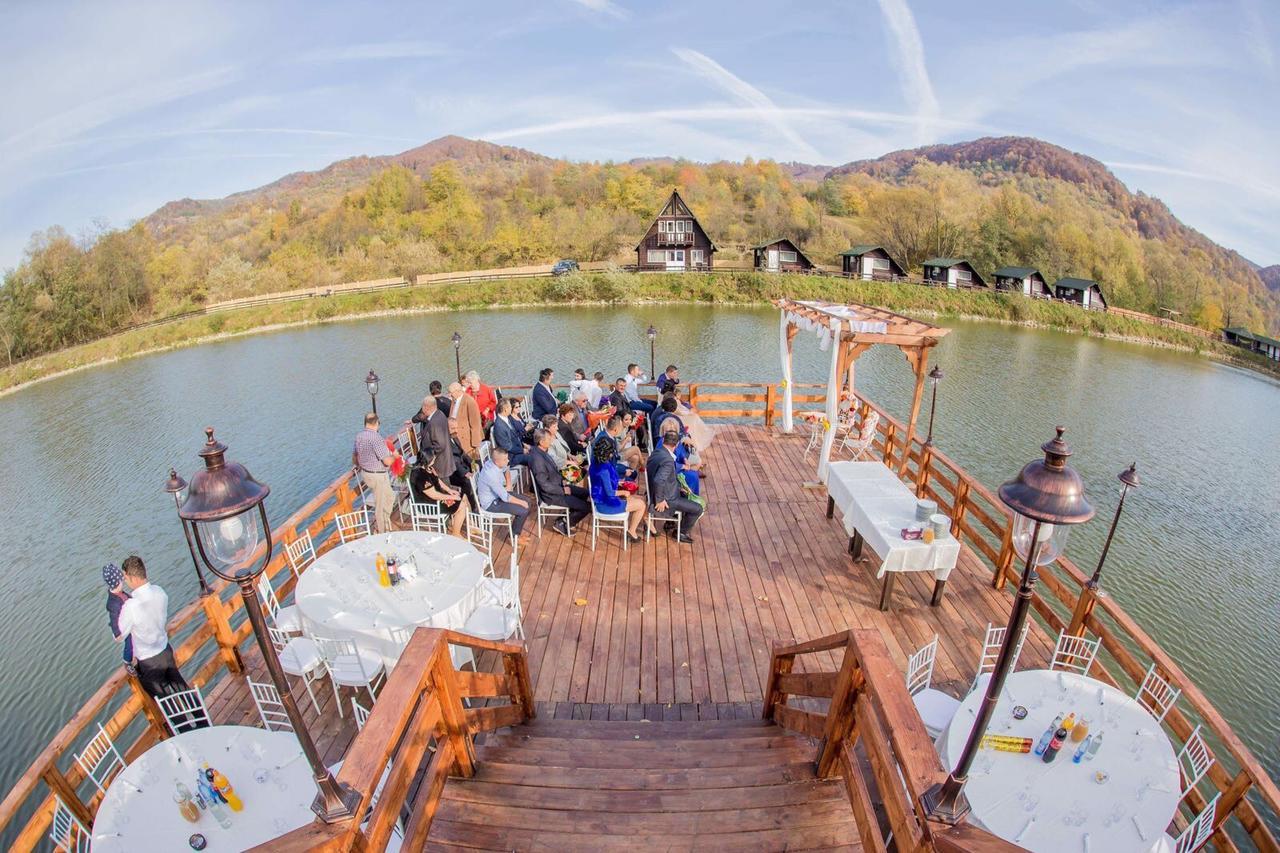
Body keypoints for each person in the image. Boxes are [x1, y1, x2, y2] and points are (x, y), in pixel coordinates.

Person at [117, 556, 201, 713]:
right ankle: (203, 721)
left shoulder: (131, 605)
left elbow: (120, 634)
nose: (125, 581)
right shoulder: (159, 592)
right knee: (181, 688)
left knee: (167, 705)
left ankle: (184, 733)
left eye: (125, 577)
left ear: (132, 577)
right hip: (165, 650)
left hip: (149, 662)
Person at [528, 428, 591, 534]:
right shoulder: (537, 460)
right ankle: (564, 523)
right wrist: (563, 491)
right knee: (586, 507)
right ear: (541, 442)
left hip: (558, 486)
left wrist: (563, 481)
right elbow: (544, 485)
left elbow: (553, 471)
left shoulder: (542, 452)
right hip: (552, 495)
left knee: (587, 494)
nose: (551, 441)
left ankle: (564, 519)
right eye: (548, 439)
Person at [647, 431, 703, 543]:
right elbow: (659, 479)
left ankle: (671, 521)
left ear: (663, 440)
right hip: (668, 498)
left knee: (687, 495)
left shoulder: (656, 452)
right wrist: (660, 500)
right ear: (677, 445)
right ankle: (681, 532)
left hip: (664, 491)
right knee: (698, 508)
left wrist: (679, 487)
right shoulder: (668, 460)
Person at [588, 435, 645, 542]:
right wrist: (624, 491)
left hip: (601, 500)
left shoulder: (595, 463)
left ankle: (638, 528)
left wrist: (619, 482)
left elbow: (603, 483)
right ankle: (632, 532)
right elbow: (609, 492)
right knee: (641, 505)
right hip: (606, 504)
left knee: (637, 500)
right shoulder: (604, 469)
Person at [352, 412, 395, 533]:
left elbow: (355, 457)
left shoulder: (359, 436)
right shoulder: (376, 438)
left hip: (366, 474)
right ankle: (381, 531)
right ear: (377, 423)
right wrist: (395, 456)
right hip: (377, 475)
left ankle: (386, 522)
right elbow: (387, 461)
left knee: (390, 497)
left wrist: (358, 465)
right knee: (380, 505)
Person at [475, 447, 530, 537]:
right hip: (491, 503)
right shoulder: (491, 475)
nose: (508, 461)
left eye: (507, 458)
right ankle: (514, 537)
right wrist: (521, 502)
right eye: (505, 459)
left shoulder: (492, 462)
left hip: (498, 494)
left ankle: (516, 531)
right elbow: (506, 497)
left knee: (528, 501)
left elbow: (506, 468)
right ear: (497, 462)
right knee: (523, 510)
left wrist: (509, 484)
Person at [409, 457, 467, 535]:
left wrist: (450, 491)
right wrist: (451, 497)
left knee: (463, 496)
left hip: (437, 498)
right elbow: (434, 495)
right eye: (433, 458)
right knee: (461, 506)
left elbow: (438, 480)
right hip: (430, 504)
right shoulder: (420, 476)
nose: (434, 459)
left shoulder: (428, 468)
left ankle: (464, 525)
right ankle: (456, 533)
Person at [410, 396, 455, 481]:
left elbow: (440, 444)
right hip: (444, 462)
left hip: (439, 465)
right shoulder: (439, 414)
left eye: (422, 407)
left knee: (443, 488)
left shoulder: (434, 422)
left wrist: (427, 456)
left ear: (426, 407)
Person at [102, 563, 133, 669]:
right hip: (123, 627)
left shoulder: (120, 593)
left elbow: (128, 598)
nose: (123, 582)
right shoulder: (113, 603)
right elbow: (114, 620)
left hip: (130, 621)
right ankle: (127, 660)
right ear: (116, 583)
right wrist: (117, 633)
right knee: (130, 642)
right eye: (121, 581)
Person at [491, 398, 532, 467]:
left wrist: (524, 445)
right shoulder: (499, 426)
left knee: (538, 452)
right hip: (511, 457)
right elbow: (507, 447)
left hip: (517, 450)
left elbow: (515, 436)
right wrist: (522, 450)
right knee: (534, 458)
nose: (511, 408)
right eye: (510, 406)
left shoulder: (505, 419)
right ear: (505, 410)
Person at [448, 381, 484, 461]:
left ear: (458, 391)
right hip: (457, 439)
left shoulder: (469, 401)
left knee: (471, 464)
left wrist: (476, 445)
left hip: (468, 443)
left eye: (450, 392)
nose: (449, 395)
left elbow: (475, 424)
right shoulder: (454, 400)